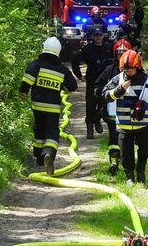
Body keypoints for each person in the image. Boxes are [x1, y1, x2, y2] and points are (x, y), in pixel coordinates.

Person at [102, 50, 148, 185]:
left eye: (130, 69)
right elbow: (105, 95)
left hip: (143, 126)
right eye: (125, 69)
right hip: (124, 127)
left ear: (137, 67)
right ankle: (129, 177)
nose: (127, 72)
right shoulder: (118, 80)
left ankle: (141, 170)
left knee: (145, 150)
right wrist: (120, 90)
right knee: (126, 154)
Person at [19, 37, 78, 175]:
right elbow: (73, 86)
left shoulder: (37, 64)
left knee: (39, 128)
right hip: (53, 107)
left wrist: (23, 91)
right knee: (52, 130)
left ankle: (39, 158)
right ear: (58, 51)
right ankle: (49, 153)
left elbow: (27, 79)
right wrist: (63, 86)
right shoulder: (62, 69)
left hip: (37, 105)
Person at [94, 39, 133, 175]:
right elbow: (98, 86)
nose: (121, 56)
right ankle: (113, 161)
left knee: (127, 138)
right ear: (114, 54)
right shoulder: (110, 70)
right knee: (113, 137)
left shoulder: (136, 71)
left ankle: (128, 163)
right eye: (118, 53)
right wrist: (101, 93)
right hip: (112, 112)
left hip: (130, 113)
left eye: (124, 53)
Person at [72, 30, 113, 139]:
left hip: (105, 82)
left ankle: (97, 120)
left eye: (100, 35)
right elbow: (75, 61)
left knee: (103, 105)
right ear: (93, 37)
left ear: (103, 36)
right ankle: (89, 131)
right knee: (90, 106)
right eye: (96, 36)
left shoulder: (108, 49)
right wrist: (79, 75)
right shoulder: (87, 49)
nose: (98, 37)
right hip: (92, 81)